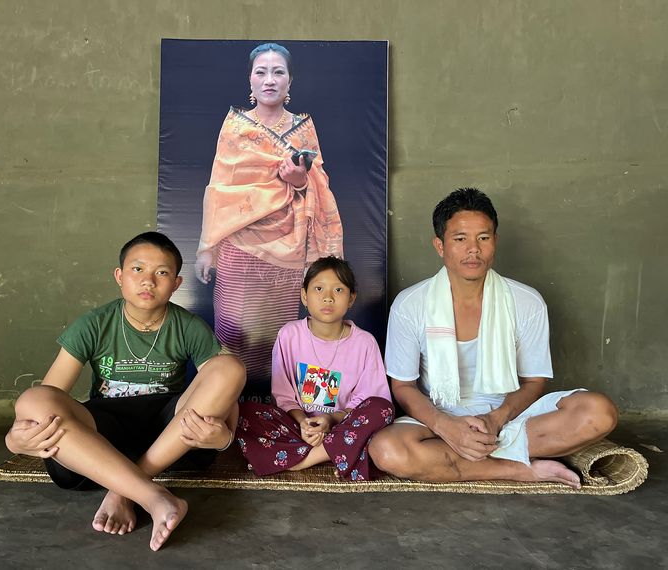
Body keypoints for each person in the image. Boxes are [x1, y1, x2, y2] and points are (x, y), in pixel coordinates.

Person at [4, 232, 246, 551]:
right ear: (119, 276)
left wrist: (224, 439)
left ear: (176, 283)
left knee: (230, 367)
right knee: (33, 399)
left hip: (169, 435)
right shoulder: (94, 324)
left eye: (162, 273)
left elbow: (221, 390)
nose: (148, 281)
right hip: (102, 436)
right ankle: (152, 496)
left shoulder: (188, 326)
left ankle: (121, 490)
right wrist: (14, 441)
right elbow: (48, 400)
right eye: (137, 269)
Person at [369, 188, 618, 487]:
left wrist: (496, 419)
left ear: (495, 242)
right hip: (438, 420)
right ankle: (523, 469)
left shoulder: (526, 301)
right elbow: (403, 386)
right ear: (440, 245)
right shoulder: (410, 304)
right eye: (460, 239)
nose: (473, 249)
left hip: (510, 420)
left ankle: (463, 458)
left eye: (483, 238)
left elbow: (534, 381)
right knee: (386, 450)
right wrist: (447, 427)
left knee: (599, 413)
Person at [194, 42, 343, 395]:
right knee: (232, 331)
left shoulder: (304, 127)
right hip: (238, 246)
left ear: (290, 81)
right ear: (250, 78)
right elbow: (219, 188)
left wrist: (298, 180)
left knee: (280, 335)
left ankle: (281, 410)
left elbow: (319, 184)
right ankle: (225, 405)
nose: (269, 80)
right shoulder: (234, 125)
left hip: (289, 249)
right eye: (261, 71)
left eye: (278, 72)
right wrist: (206, 247)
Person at [236, 257, 393, 481]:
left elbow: (369, 397)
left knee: (382, 408)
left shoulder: (364, 342)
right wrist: (303, 422)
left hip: (343, 425)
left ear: (351, 298)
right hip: (297, 426)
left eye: (338, 289)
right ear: (304, 296)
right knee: (242, 412)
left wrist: (331, 420)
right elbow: (283, 393)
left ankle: (307, 458)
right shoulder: (290, 334)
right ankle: (340, 452)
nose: (328, 297)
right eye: (318, 288)